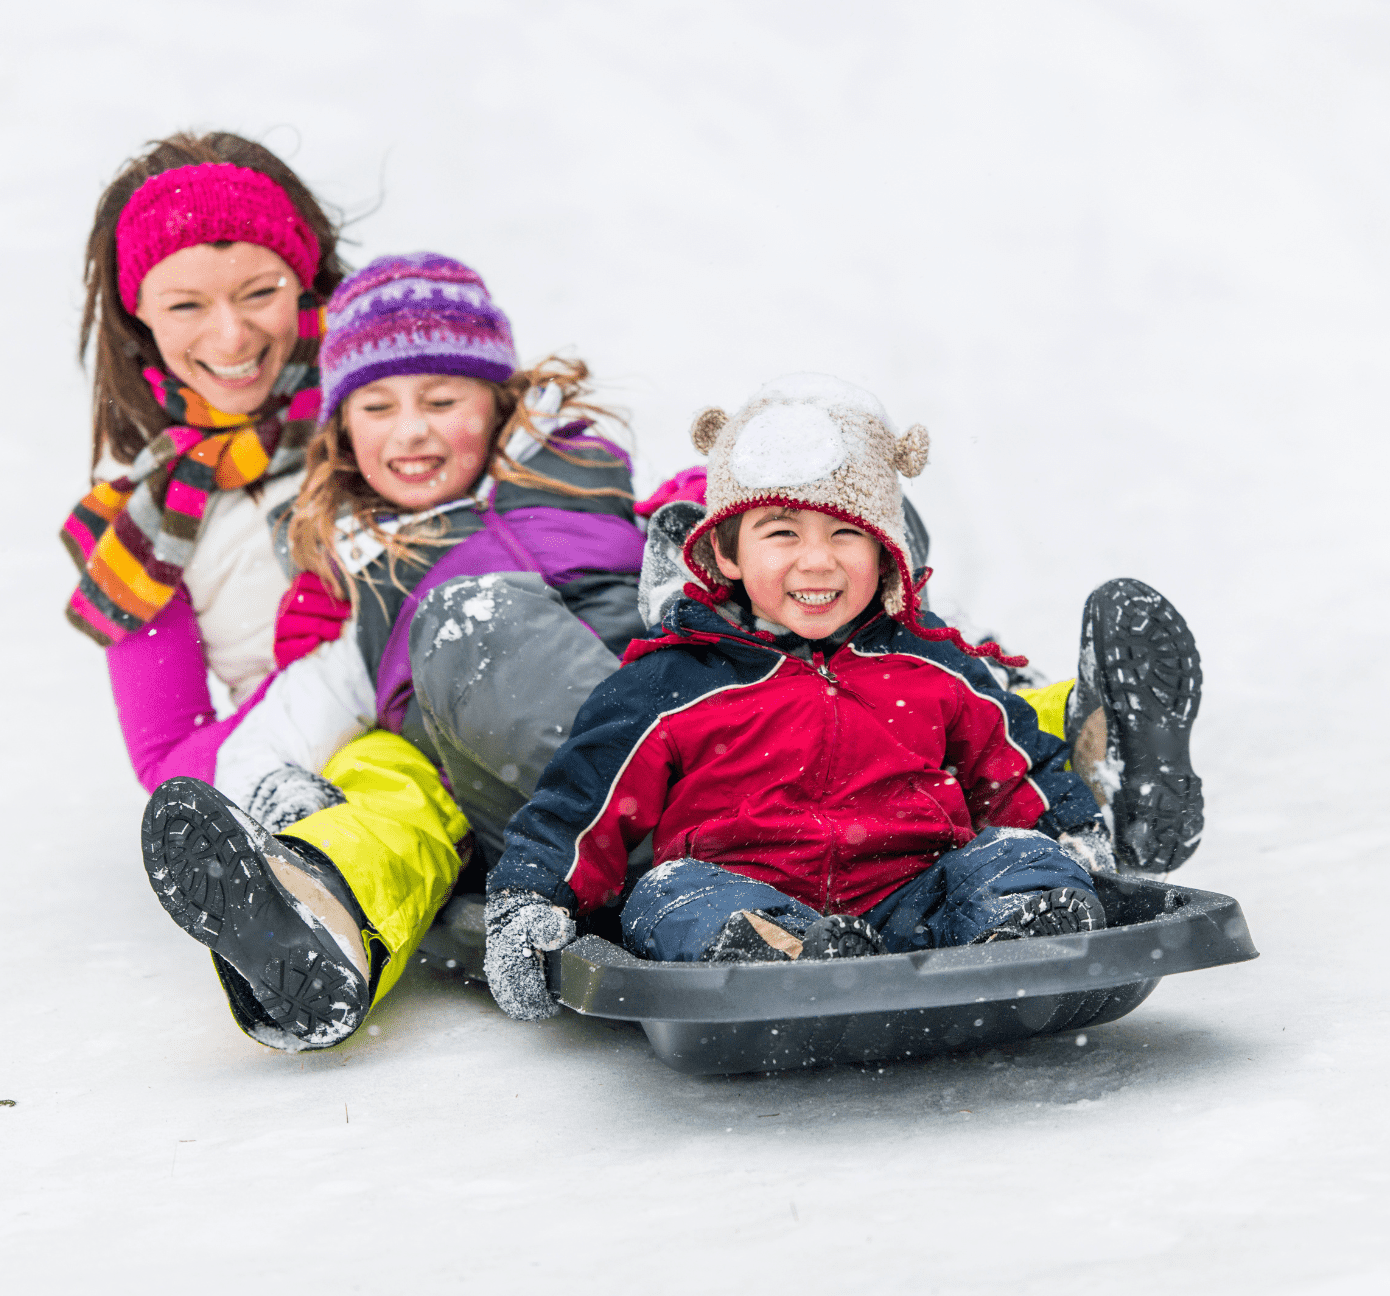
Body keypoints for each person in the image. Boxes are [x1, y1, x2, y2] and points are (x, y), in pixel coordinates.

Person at [481, 376, 1170, 1021]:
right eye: (781, 532)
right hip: (743, 895)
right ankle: (786, 960)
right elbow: (579, 807)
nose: (817, 561)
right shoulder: (670, 682)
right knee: (665, 897)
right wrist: (530, 904)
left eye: (847, 533)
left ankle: (1022, 936)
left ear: (885, 552)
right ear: (725, 553)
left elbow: (1017, 770)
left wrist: (1075, 841)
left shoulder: (931, 666)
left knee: (1015, 857)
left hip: (917, 897)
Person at [136, 254, 645, 1048]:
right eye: (376, 406)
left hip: (673, 739)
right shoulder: (366, 589)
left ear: (500, 402)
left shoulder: (587, 484)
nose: (411, 429)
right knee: (394, 770)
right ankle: (313, 916)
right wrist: (276, 794)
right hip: (529, 811)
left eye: (442, 400)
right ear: (341, 431)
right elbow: (279, 724)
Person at [61, 131, 347, 790]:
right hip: (336, 788)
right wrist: (322, 710)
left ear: (304, 279)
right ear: (140, 317)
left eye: (258, 293)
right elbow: (170, 764)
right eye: (186, 305)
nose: (231, 335)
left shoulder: (397, 412)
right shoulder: (148, 527)